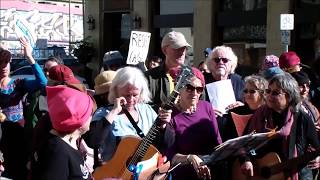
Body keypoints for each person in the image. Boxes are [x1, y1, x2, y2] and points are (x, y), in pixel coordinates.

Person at [240, 72, 320, 179]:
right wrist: (247, 159)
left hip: (297, 175)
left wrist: (318, 157)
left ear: (289, 96)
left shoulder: (302, 118)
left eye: (275, 93)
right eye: (268, 91)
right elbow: (244, 144)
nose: (269, 96)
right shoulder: (260, 114)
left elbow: (317, 147)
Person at [87, 66, 172, 164]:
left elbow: (166, 144)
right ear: (116, 91)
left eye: (135, 95)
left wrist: (163, 126)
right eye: (127, 95)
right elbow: (93, 142)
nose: (131, 99)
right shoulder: (104, 113)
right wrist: (114, 112)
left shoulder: (147, 110)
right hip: (116, 173)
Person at [0, 37, 47, 179]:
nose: (4, 66)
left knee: (19, 171)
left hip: (18, 134)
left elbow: (43, 83)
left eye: (7, 62)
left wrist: (30, 57)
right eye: (1, 62)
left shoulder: (18, 84)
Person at [164, 67, 222, 180]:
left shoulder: (206, 107)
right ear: (179, 88)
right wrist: (190, 158)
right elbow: (169, 155)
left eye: (199, 89)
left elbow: (218, 142)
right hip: (185, 173)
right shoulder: (170, 115)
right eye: (189, 88)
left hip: (211, 168)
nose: (195, 93)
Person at [37, 85, 96, 180]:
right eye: (90, 114)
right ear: (79, 119)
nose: (91, 117)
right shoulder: (57, 151)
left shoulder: (69, 142)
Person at [145, 31, 191, 110]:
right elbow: (142, 108)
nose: (182, 52)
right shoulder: (149, 77)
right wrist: (163, 107)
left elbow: (201, 102)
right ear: (165, 50)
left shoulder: (193, 75)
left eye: (184, 48)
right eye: (177, 48)